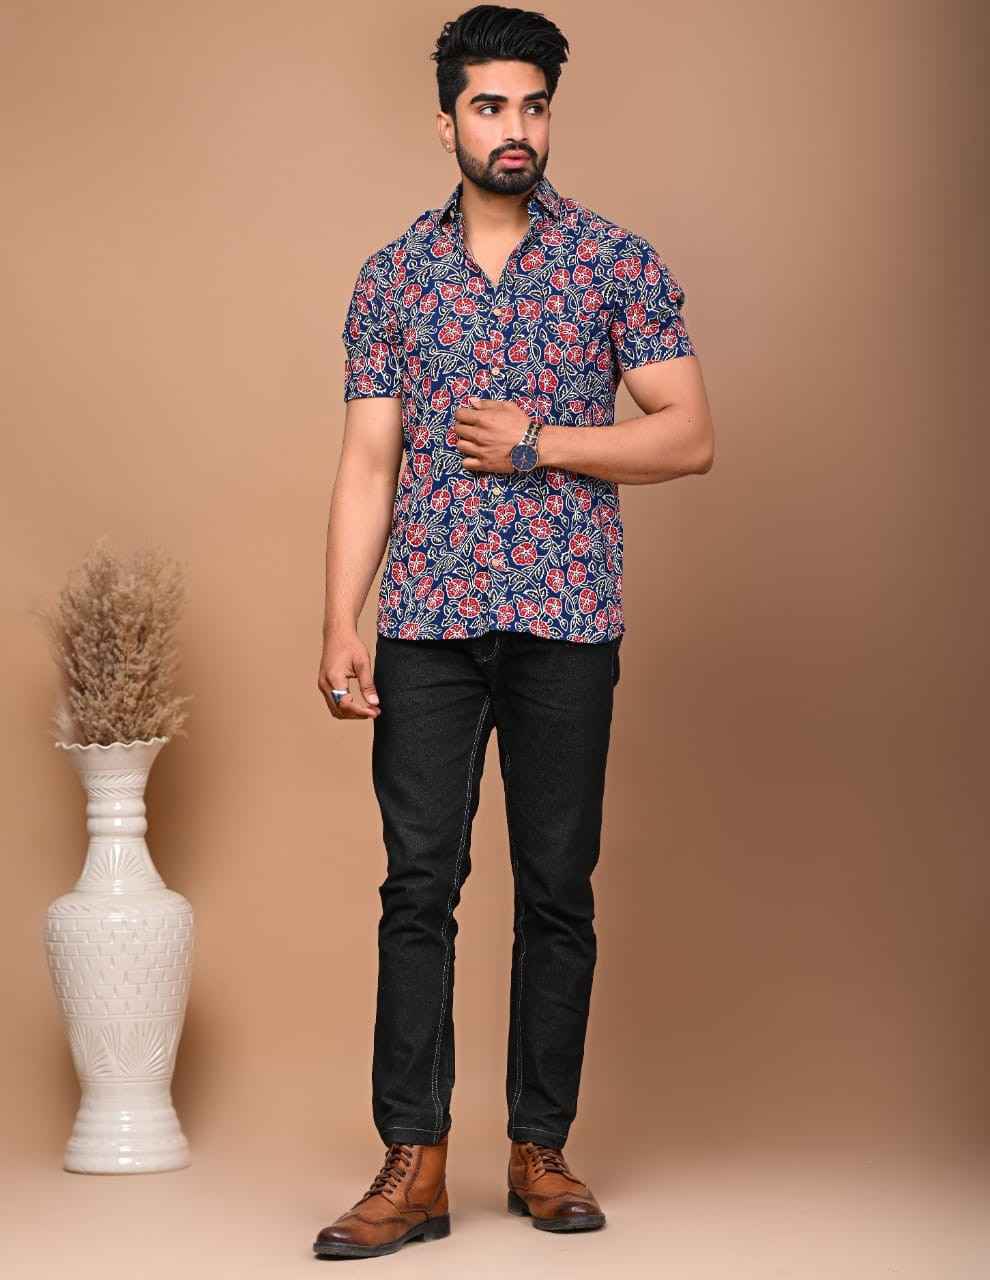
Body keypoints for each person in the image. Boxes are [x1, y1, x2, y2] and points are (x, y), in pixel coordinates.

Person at [314, 3, 714, 1260]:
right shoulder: (393, 276)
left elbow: (689, 433)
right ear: (446, 122)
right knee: (417, 888)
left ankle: (541, 1147)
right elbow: (368, 463)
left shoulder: (614, 262)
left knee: (557, 889)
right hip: (426, 624)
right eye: (490, 105)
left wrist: (542, 443)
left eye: (533, 105)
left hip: (566, 619)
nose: (515, 128)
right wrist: (338, 619)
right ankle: (414, 1162)